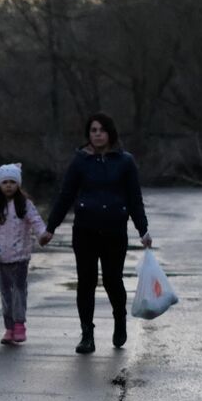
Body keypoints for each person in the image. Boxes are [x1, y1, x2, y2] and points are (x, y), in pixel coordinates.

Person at [43, 112, 151, 354]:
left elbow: (135, 199)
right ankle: (87, 334)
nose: (97, 134)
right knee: (86, 282)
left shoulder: (125, 162)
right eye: (93, 130)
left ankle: (119, 320)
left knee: (113, 280)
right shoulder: (80, 161)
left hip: (114, 231)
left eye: (101, 130)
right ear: (88, 134)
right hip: (85, 231)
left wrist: (142, 229)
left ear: (110, 133)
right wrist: (50, 227)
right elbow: (66, 196)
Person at [0, 162, 50, 345]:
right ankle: (8, 327)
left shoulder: (25, 204)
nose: (8, 185)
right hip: (1, 257)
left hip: (20, 256)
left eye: (12, 181)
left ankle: (19, 324)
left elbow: (36, 221)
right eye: (5, 182)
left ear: (18, 184)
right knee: (5, 293)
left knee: (19, 291)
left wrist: (43, 235)